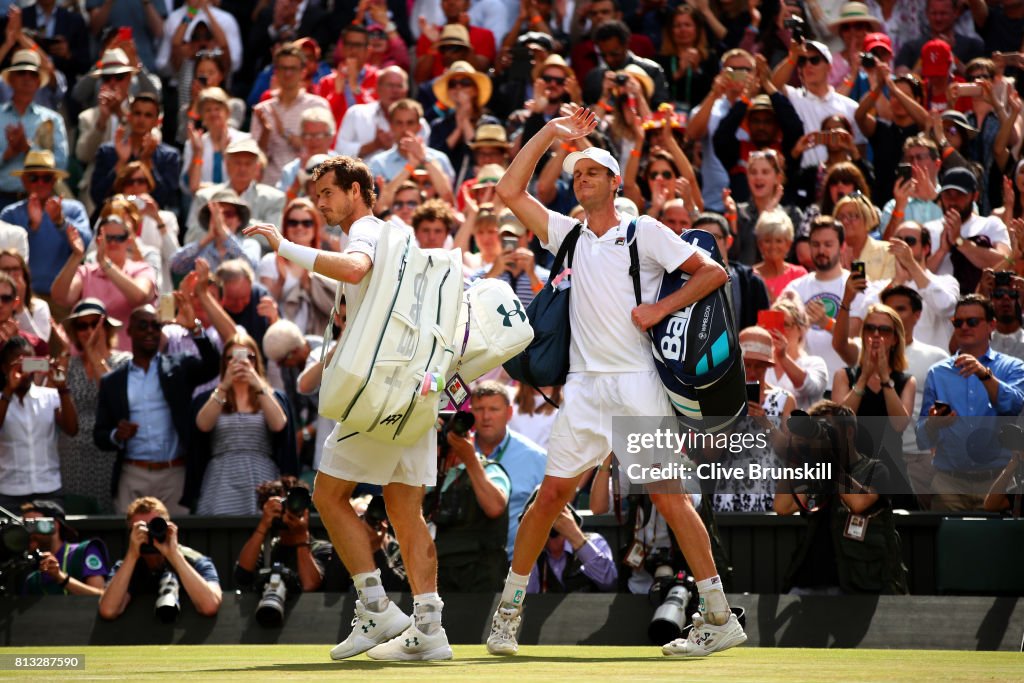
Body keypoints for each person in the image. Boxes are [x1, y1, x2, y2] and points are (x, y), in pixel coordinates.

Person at [488, 106, 745, 657]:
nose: (582, 180)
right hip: (583, 388)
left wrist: (661, 309)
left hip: (635, 384)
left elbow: (714, 272)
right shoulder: (566, 234)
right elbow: (510, 192)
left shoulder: (646, 231)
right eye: (577, 174)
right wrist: (550, 134)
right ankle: (508, 612)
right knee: (550, 498)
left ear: (614, 182)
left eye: (593, 172)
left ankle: (719, 614)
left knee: (670, 500)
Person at [243, 156, 453, 661]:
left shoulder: (363, 233)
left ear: (358, 191)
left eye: (329, 194)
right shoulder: (398, 236)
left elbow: (356, 266)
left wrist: (285, 246)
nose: (321, 205)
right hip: (415, 391)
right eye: (316, 197)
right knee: (406, 510)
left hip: (380, 394)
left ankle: (377, 608)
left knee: (328, 494)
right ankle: (429, 629)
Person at [93, 304, 220, 515]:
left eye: (156, 326)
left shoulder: (178, 367)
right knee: (131, 541)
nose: (150, 331)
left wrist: (195, 329)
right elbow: (100, 434)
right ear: (130, 331)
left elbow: (213, 365)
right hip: (132, 473)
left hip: (174, 474)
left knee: (176, 541)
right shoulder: (112, 381)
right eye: (143, 326)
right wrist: (117, 434)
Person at [774, 401, 909, 595]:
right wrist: (794, 456)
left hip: (858, 583)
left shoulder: (875, 470)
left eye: (827, 428)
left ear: (849, 432)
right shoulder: (816, 472)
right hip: (809, 581)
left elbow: (859, 503)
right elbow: (782, 506)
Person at [918, 295, 1024, 512]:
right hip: (949, 484)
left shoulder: (1013, 368)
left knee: (999, 546)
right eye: (958, 322)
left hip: (998, 483)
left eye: (973, 322)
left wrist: (985, 375)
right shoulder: (938, 373)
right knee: (948, 546)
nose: (964, 327)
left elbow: (1014, 407)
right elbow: (921, 438)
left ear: (991, 325)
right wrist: (933, 424)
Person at [187, 334, 294, 515]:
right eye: (231, 357)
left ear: (256, 360)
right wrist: (225, 385)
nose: (240, 362)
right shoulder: (210, 398)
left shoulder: (272, 396)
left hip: (262, 475)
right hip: (221, 478)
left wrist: (257, 383)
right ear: (224, 362)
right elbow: (202, 425)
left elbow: (279, 425)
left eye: (248, 357)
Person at [831, 303, 917, 507]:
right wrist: (863, 379)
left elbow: (899, 424)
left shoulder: (905, 381)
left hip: (891, 469)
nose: (876, 334)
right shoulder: (844, 376)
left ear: (895, 339)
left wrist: (885, 377)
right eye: (870, 328)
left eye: (884, 330)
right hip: (853, 469)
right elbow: (838, 423)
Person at [51, 200, 157, 351]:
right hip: (88, 359)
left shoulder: (141, 269)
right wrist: (76, 256)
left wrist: (105, 264)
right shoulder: (86, 272)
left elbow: (139, 296)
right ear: (98, 240)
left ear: (128, 241)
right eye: (108, 238)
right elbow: (60, 297)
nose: (113, 242)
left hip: (128, 358)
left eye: (118, 238)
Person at [711, 326, 795, 513]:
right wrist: (732, 418)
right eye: (747, 364)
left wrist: (765, 423)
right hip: (729, 494)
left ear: (768, 366)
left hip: (769, 492)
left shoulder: (784, 399)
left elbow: (790, 451)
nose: (752, 371)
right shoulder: (724, 398)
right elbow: (709, 454)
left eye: (759, 365)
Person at [58, 300, 131, 514]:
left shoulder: (124, 362)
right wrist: (63, 352)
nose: (89, 330)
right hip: (73, 456)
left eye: (95, 324)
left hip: (108, 454)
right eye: (82, 325)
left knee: (109, 516)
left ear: (106, 328)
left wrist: (93, 353)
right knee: (75, 515)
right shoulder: (69, 365)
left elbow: (115, 399)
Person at [97, 496, 222, 620]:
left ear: (167, 528)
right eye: (140, 529)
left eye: (154, 527)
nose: (148, 535)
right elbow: (108, 610)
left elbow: (210, 606)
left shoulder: (196, 561)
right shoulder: (127, 567)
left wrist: (174, 555)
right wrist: (132, 555)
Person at [0, 150, 90, 313]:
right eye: (34, 177)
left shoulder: (73, 209)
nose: (40, 183)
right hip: (20, 301)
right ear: (23, 180)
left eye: (46, 178)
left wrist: (60, 222)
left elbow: (85, 244)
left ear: (55, 180)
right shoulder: (10, 214)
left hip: (63, 301)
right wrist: (31, 227)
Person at [466, 381, 547, 561]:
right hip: (460, 564)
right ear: (470, 412)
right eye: (479, 409)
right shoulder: (455, 453)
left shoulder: (537, 458)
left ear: (509, 413)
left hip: (516, 564)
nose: (486, 416)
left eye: (494, 409)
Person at [781, 216, 867, 378]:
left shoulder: (856, 286)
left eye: (828, 245)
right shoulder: (795, 288)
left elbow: (853, 336)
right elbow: (783, 334)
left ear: (842, 247)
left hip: (843, 379)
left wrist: (825, 323)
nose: (821, 251)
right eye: (815, 244)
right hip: (805, 380)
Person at [0, 335, 77, 511]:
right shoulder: (1, 401)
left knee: (50, 537)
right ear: (5, 368)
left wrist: (62, 387)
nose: (25, 370)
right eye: (18, 364)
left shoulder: (49, 396)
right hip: (9, 493)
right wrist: (8, 391)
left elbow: (72, 429)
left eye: (29, 363)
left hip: (48, 490)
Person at [250, 43, 331, 186]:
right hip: (271, 184)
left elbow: (322, 147)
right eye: (283, 68)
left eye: (293, 68)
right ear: (276, 71)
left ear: (303, 71)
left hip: (308, 183)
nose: (288, 73)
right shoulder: (263, 110)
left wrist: (285, 134)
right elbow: (257, 158)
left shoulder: (318, 105)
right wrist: (266, 133)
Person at [235, 477, 332, 593]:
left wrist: (301, 537)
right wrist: (263, 525)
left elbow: (309, 585)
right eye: (283, 505)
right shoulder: (266, 550)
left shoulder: (321, 548)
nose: (287, 510)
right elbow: (242, 575)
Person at [0, 48, 68, 208]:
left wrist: (28, 149)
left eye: (33, 74)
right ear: (10, 79)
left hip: (41, 203)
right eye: (21, 73)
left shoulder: (53, 119)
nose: (27, 78)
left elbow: (60, 164)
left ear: (38, 82)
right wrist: (8, 154)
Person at [90, 93, 181, 212]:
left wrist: (148, 162)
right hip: (114, 216)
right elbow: (98, 197)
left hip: (151, 219)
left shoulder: (169, 156)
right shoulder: (107, 151)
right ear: (129, 116)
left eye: (148, 115)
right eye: (137, 113)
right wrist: (121, 162)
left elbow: (164, 199)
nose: (141, 119)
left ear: (157, 121)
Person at [693, 212, 770, 331]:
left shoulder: (752, 283)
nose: (707, 244)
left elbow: (764, 331)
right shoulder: (678, 280)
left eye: (714, 237)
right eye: (701, 238)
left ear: (728, 241)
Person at [524, 495, 616, 594]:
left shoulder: (594, 541)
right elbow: (526, 596)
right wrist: (530, 544)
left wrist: (575, 536)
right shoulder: (532, 555)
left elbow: (609, 582)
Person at [20, 499, 108, 596]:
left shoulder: (83, 551)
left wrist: (60, 577)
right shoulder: (32, 580)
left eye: (34, 525)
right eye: (25, 527)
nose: (29, 533)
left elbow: (101, 597)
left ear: (55, 525)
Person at [753, 209, 807, 301]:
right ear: (760, 244)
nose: (773, 246)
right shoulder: (751, 275)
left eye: (779, 241)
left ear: (788, 244)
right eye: (767, 241)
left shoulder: (799, 275)